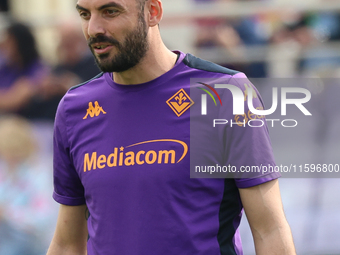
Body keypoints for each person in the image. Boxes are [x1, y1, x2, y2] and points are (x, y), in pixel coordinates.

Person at [47, 0, 296, 254]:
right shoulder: (74, 109)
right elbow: (67, 244)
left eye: (111, 12)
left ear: (152, 12)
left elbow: (270, 229)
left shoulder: (224, 94)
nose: (94, 29)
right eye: (85, 14)